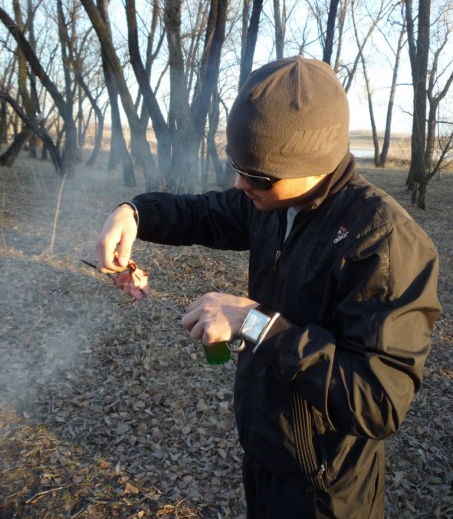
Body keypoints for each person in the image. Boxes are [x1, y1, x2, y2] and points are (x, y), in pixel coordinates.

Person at [96, 56, 441, 519]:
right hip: (264, 454)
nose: (241, 184)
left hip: (326, 491)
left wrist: (255, 323)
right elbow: (204, 214)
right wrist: (135, 213)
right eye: (238, 166)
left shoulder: (384, 242)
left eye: (256, 176)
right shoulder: (271, 204)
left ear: (312, 164)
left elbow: (378, 401)